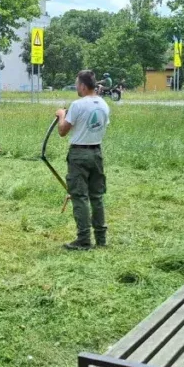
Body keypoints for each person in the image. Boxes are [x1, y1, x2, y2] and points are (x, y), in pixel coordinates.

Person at [55, 70, 110, 250]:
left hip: (79, 154)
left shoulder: (78, 105)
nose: (76, 87)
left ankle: (84, 239)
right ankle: (101, 239)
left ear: (84, 86)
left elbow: (63, 131)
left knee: (79, 197)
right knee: (97, 197)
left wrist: (61, 115)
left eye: (77, 84)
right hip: (96, 152)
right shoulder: (103, 104)